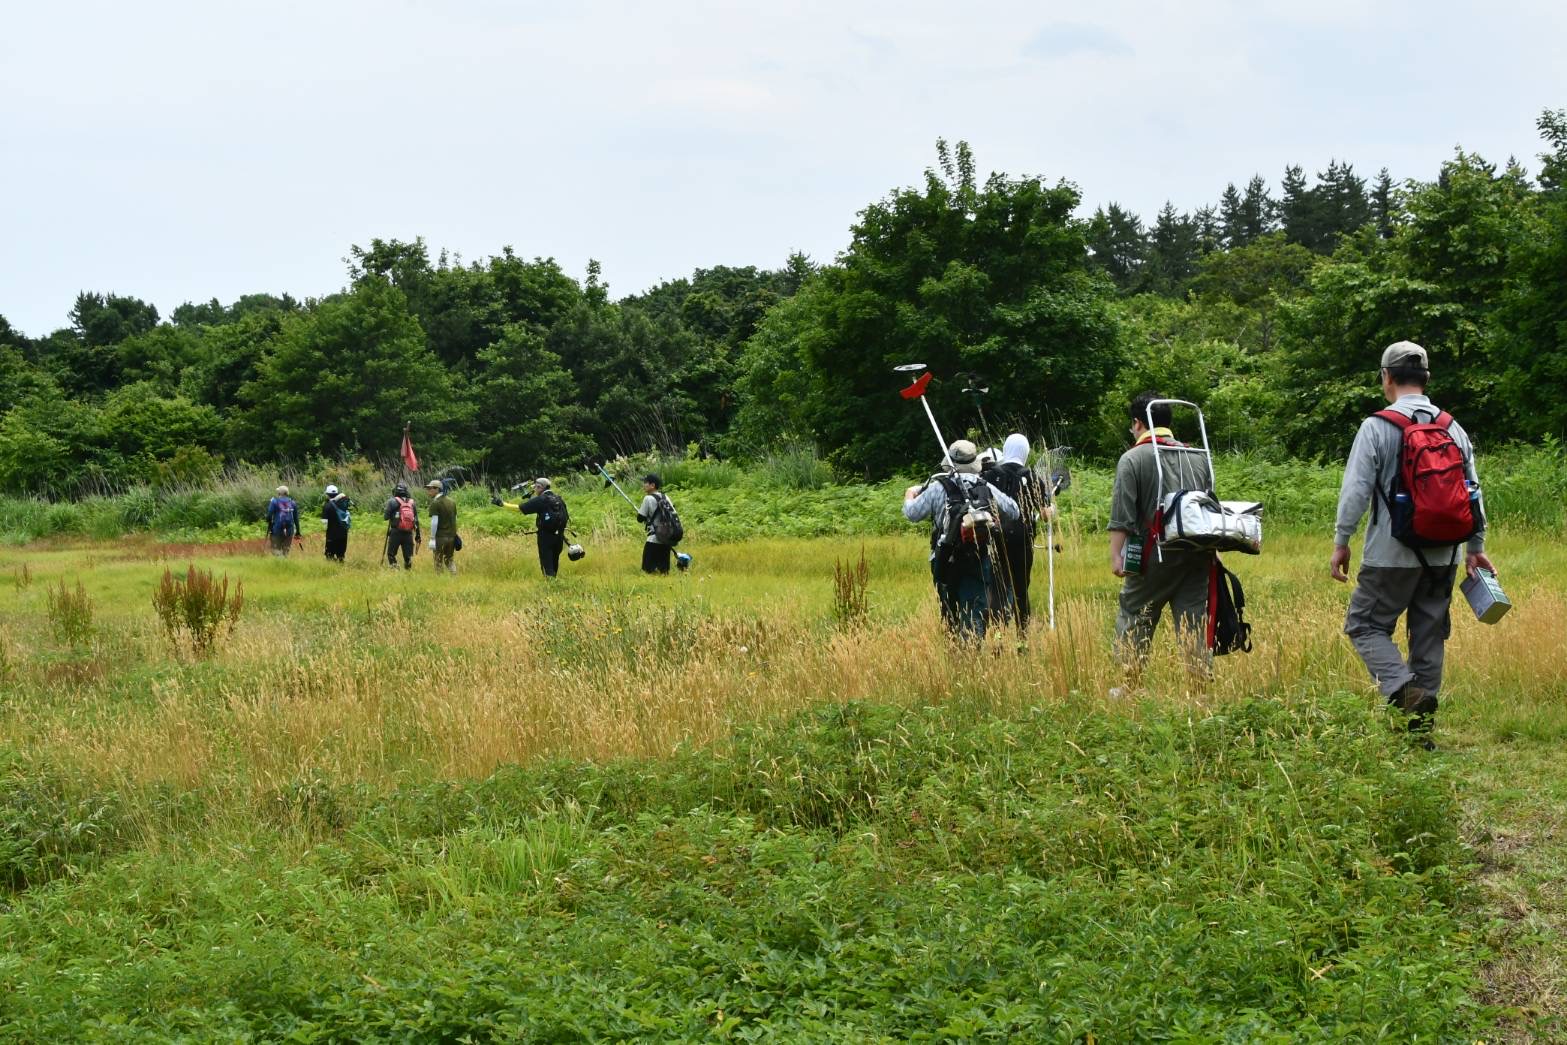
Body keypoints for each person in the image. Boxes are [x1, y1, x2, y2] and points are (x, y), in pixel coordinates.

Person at [1331, 341, 1494, 747]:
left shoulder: (1376, 427)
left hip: (1390, 554)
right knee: (1429, 635)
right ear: (1427, 378)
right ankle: (1422, 736)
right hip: (1444, 554)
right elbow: (1473, 491)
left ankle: (1404, 692)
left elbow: (1355, 491)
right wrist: (1475, 547)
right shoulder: (1453, 428)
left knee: (1365, 625)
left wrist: (1342, 540)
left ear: (1386, 377)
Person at [1107, 392, 1215, 684]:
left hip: (1151, 556)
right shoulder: (1198, 456)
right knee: (1193, 624)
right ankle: (1199, 691)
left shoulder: (1132, 459)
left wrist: (1116, 556)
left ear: (1137, 423)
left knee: (1134, 617)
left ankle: (1129, 687)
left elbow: (1122, 515)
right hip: (1196, 554)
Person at [903, 439, 1020, 641]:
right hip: (978, 557)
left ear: (950, 463)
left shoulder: (938, 487)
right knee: (975, 610)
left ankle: (954, 648)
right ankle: (973, 650)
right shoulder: (985, 487)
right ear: (974, 462)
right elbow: (1014, 511)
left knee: (950, 611)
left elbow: (912, 513)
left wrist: (910, 494)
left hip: (944, 558)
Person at [981, 433, 1053, 631]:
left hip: (995, 537)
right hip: (1022, 539)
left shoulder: (989, 475)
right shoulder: (1031, 476)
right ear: (1025, 451)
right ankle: (1023, 636)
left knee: (997, 587)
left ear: (1006, 449)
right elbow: (1045, 515)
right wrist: (1051, 508)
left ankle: (998, 635)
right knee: (1021, 588)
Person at [495, 478, 569, 577]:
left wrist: (502, 504)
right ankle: (555, 582)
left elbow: (520, 508)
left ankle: (551, 584)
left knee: (547, 566)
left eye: (535, 487)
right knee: (554, 562)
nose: (534, 490)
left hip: (545, 537)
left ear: (540, 487)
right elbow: (566, 516)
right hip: (559, 537)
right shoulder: (558, 498)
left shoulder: (541, 499)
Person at [636, 474, 678, 574]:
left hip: (653, 540)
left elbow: (640, 518)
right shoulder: (665, 497)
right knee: (664, 572)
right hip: (666, 539)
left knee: (647, 571)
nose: (644, 485)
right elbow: (673, 513)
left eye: (646, 483)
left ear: (652, 485)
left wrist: (646, 517)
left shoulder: (648, 498)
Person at [382, 482, 421, 569]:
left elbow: (386, 517)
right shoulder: (412, 502)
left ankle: (395, 570)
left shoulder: (392, 501)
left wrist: (392, 512)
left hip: (396, 532)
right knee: (408, 556)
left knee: (391, 554)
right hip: (409, 533)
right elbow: (416, 520)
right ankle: (408, 572)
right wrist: (418, 535)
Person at [426, 478, 459, 574]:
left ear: (437, 489)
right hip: (451, 537)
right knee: (449, 560)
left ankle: (439, 579)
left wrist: (432, 538)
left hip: (440, 537)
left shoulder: (435, 503)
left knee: (438, 561)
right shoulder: (452, 502)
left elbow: (434, 522)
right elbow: (455, 519)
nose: (428, 491)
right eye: (428, 488)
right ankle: (454, 577)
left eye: (431, 488)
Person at [321, 484, 352, 562]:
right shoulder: (343, 503)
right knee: (341, 555)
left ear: (327, 494)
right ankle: (341, 566)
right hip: (343, 533)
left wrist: (325, 530)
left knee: (329, 555)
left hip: (332, 534)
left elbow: (324, 522)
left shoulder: (327, 505)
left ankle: (332, 568)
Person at [265, 485, 298, 557]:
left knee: (275, 549)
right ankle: (284, 561)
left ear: (279, 493)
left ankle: (279, 561)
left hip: (277, 529)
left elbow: (269, 515)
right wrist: (298, 531)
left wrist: (268, 520)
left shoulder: (274, 502)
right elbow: (296, 519)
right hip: (289, 530)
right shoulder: (292, 503)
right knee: (286, 551)